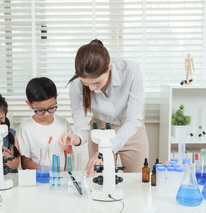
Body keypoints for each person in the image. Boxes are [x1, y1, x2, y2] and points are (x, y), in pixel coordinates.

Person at [59, 39, 149, 176]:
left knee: (138, 180)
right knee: (100, 181)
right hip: (99, 130)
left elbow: (134, 120)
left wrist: (108, 149)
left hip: (131, 131)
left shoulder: (130, 71)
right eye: (86, 83)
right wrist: (74, 138)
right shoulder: (76, 85)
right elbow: (81, 129)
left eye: (96, 82)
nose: (91, 88)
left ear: (109, 67)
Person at [18, 77, 72, 171]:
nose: (46, 114)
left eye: (51, 107)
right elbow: (25, 164)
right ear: (29, 104)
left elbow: (68, 152)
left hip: (61, 179)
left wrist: (67, 174)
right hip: (39, 180)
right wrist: (50, 171)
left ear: (56, 98)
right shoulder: (26, 128)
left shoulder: (63, 123)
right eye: (40, 110)